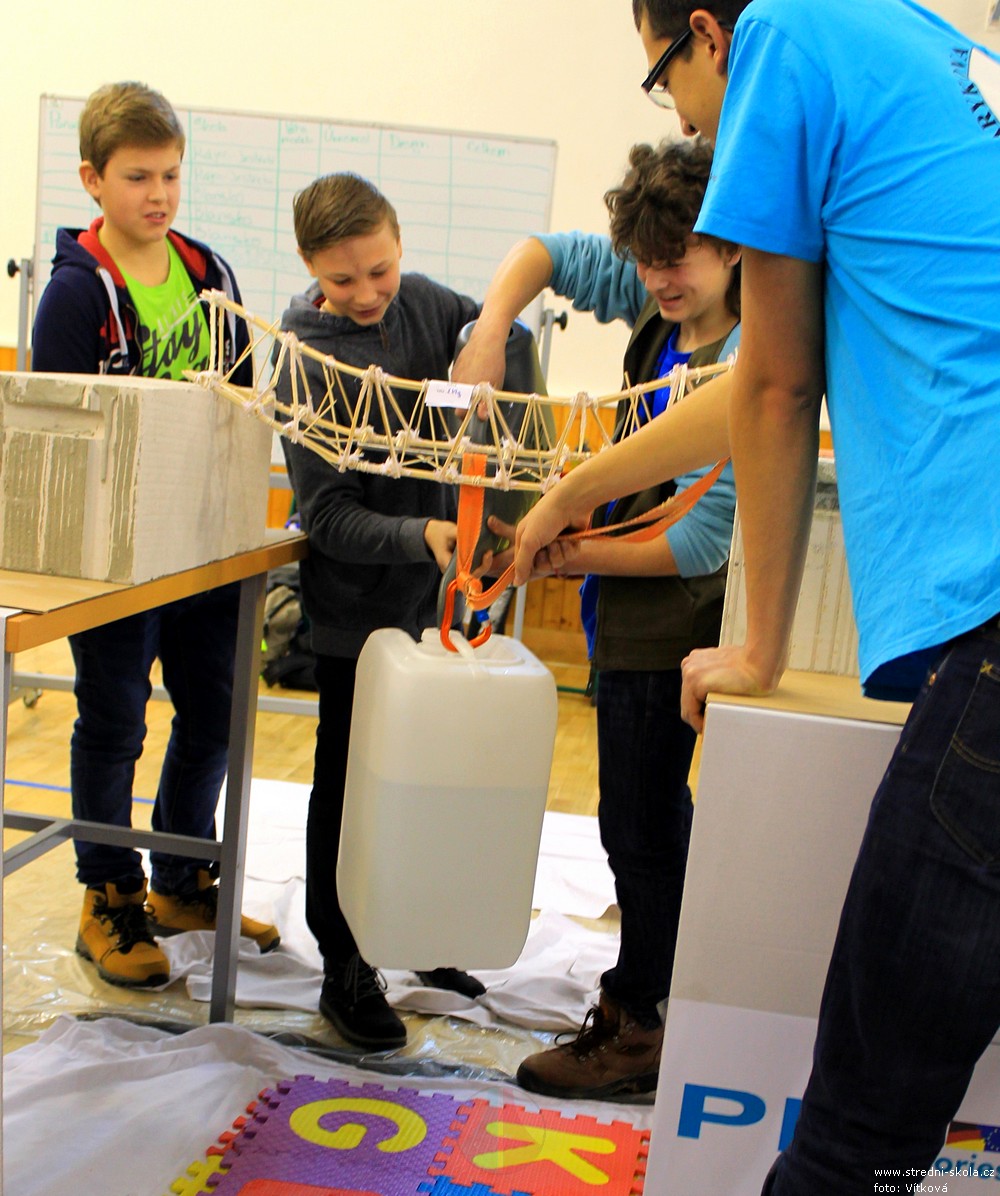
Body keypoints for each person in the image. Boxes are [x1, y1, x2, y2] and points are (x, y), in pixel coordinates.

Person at [512, 0, 1000, 1190]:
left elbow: (779, 389)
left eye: (662, 78)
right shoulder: (941, 51)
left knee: (852, 1137)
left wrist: (758, 648)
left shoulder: (786, 30)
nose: (685, 119)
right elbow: (756, 385)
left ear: (705, 33)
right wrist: (574, 487)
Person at [454, 138, 739, 1099]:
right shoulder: (665, 308)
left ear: (733, 244)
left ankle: (642, 1020)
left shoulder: (746, 353)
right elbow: (543, 252)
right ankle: (661, 994)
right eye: (645, 262)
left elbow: (698, 542)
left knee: (641, 824)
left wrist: (562, 547)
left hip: (676, 620)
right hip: (623, 607)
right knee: (644, 819)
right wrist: (492, 329)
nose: (659, 279)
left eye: (678, 260)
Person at [30, 81, 279, 989]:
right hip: (117, 559)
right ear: (93, 179)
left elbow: (245, 398)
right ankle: (107, 895)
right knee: (115, 719)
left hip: (204, 543)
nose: (160, 194)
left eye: (172, 174)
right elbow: (58, 438)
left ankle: (181, 876)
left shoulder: (210, 273)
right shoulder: (74, 295)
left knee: (215, 711)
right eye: (138, 176)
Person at [275, 172, 487, 1051]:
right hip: (357, 619)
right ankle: (344, 963)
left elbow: (491, 336)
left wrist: (494, 344)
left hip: (439, 608)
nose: (367, 294)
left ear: (401, 245)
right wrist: (423, 535)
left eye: (380, 271)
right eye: (343, 279)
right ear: (308, 267)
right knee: (351, 788)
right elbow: (326, 518)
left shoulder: (429, 305)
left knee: (433, 778)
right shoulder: (303, 357)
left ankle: (420, 930)